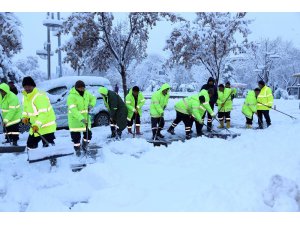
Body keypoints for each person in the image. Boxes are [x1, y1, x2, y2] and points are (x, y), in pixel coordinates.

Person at [21, 76, 57, 166]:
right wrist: (24, 117)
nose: (27, 88)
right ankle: (32, 159)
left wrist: (37, 124)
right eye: (25, 86)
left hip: (46, 126)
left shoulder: (40, 96)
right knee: (30, 144)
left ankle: (53, 161)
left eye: (29, 86)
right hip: (35, 126)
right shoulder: (25, 97)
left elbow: (43, 113)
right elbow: (25, 110)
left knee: (48, 145)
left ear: (33, 86)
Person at [67, 80, 96, 157]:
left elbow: (93, 98)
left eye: (83, 88)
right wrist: (81, 118)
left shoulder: (86, 93)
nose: (82, 89)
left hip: (86, 119)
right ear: (76, 88)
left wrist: (91, 105)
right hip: (75, 121)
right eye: (80, 88)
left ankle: (85, 145)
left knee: (88, 136)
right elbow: (73, 110)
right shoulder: (71, 96)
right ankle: (77, 150)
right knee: (76, 139)